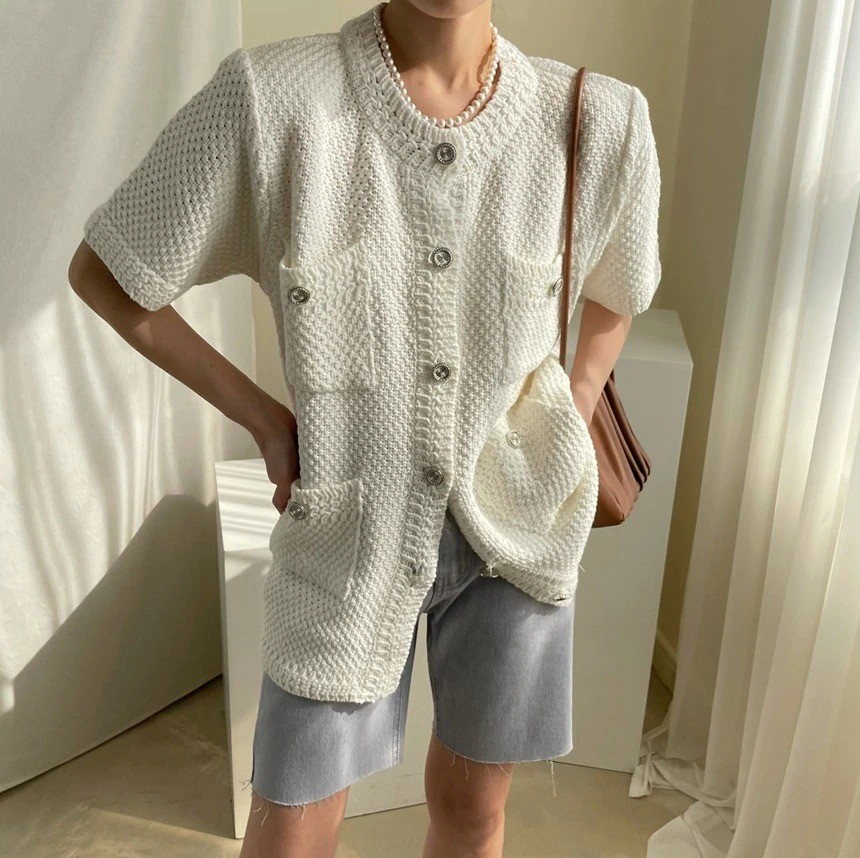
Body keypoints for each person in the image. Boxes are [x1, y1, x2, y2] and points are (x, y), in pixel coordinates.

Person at [68, 1, 661, 855]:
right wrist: (266, 423)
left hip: (520, 538)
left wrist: (576, 394)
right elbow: (112, 272)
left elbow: (619, 286)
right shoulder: (272, 101)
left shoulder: (599, 118)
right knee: (290, 832)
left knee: (473, 815)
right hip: (345, 541)